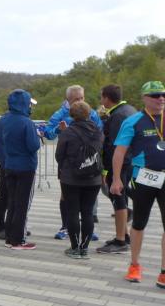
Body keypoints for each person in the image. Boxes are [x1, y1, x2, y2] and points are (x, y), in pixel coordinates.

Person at [110, 81, 165, 289]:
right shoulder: (133, 121)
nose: (161, 98)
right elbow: (119, 152)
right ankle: (134, 265)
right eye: (156, 95)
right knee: (139, 223)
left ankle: (163, 272)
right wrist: (116, 179)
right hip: (143, 178)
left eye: (163, 95)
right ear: (144, 98)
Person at [42, 85, 103, 240]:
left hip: (89, 160)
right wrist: (59, 130)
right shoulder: (60, 114)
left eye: (82, 98)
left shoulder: (92, 113)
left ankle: (88, 229)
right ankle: (65, 227)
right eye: (76, 99)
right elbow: (48, 133)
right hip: (69, 162)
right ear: (68, 99)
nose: (80, 101)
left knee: (89, 196)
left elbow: (101, 132)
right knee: (66, 195)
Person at [55, 102, 104, 258]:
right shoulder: (98, 131)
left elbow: (59, 156)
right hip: (93, 178)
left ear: (71, 115)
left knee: (73, 212)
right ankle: (85, 247)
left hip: (71, 178)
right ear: (89, 114)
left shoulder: (68, 132)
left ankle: (75, 247)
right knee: (88, 212)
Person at [0, 89, 40, 250]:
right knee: (22, 204)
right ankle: (18, 240)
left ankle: (9, 236)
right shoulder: (27, 122)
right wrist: (37, 136)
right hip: (25, 166)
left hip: (9, 165)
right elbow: (33, 146)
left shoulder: (4, 120)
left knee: (11, 202)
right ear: (24, 104)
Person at [96, 84, 136, 254]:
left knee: (118, 199)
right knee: (122, 198)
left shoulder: (117, 116)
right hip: (130, 161)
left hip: (120, 164)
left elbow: (113, 146)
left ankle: (120, 241)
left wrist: (107, 171)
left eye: (101, 97)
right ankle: (124, 235)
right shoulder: (130, 110)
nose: (101, 100)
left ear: (106, 98)